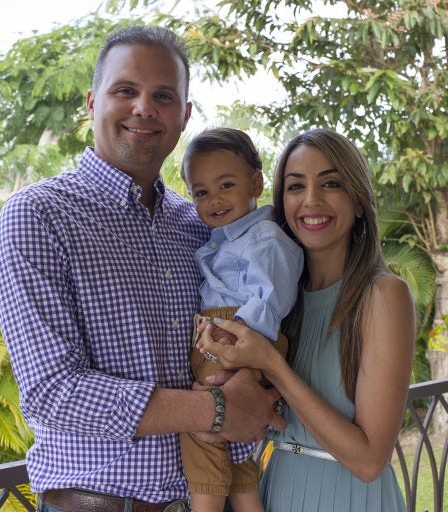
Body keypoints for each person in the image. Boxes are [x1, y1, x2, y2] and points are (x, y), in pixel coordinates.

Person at [0, 25, 285, 512]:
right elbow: (52, 392)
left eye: (163, 95)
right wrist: (216, 410)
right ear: (91, 101)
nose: (144, 108)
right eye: (125, 90)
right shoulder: (39, 216)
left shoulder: (200, 225)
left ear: (184, 116)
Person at [196, 128, 415, 511]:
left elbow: (368, 461)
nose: (311, 201)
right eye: (296, 187)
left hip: (348, 497)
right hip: (276, 489)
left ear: (359, 201)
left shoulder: (383, 295)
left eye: (330, 183)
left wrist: (272, 364)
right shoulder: (280, 300)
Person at [179, 128, 303, 512]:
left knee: (203, 429)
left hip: (237, 336)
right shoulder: (229, 237)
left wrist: (240, 359)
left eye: (226, 185)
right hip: (226, 335)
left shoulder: (264, 239)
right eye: (200, 192)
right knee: (234, 444)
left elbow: (269, 299)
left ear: (256, 182)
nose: (213, 200)